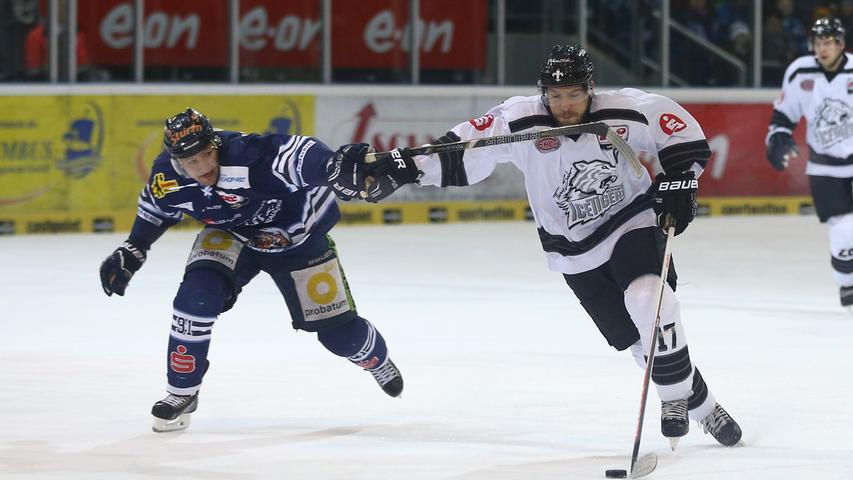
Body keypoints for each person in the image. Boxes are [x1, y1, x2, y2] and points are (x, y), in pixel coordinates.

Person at [358, 44, 743, 448]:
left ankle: (671, 400)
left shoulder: (626, 108)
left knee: (649, 300)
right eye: (556, 96)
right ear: (544, 93)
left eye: (574, 93)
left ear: (590, 89)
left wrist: (680, 176)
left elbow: (679, 130)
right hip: (573, 250)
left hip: (632, 220)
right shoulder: (519, 118)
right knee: (636, 339)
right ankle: (703, 405)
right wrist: (404, 169)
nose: (565, 104)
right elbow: (462, 149)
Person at [99, 108, 403, 432]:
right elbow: (156, 207)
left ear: (215, 144)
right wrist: (134, 248)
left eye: (206, 154)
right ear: (177, 162)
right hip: (233, 235)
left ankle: (376, 359)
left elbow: (298, 154)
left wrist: (332, 166)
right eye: (191, 162)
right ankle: (182, 392)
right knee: (195, 299)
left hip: (297, 241)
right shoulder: (167, 176)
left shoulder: (248, 157)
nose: (203, 167)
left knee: (340, 337)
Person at [766, 17, 853, 309]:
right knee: (843, 231)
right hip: (824, 168)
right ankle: (847, 285)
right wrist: (777, 139)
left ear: (840, 44)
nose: (822, 48)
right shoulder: (800, 72)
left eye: (828, 42)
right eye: (818, 43)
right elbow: (783, 116)